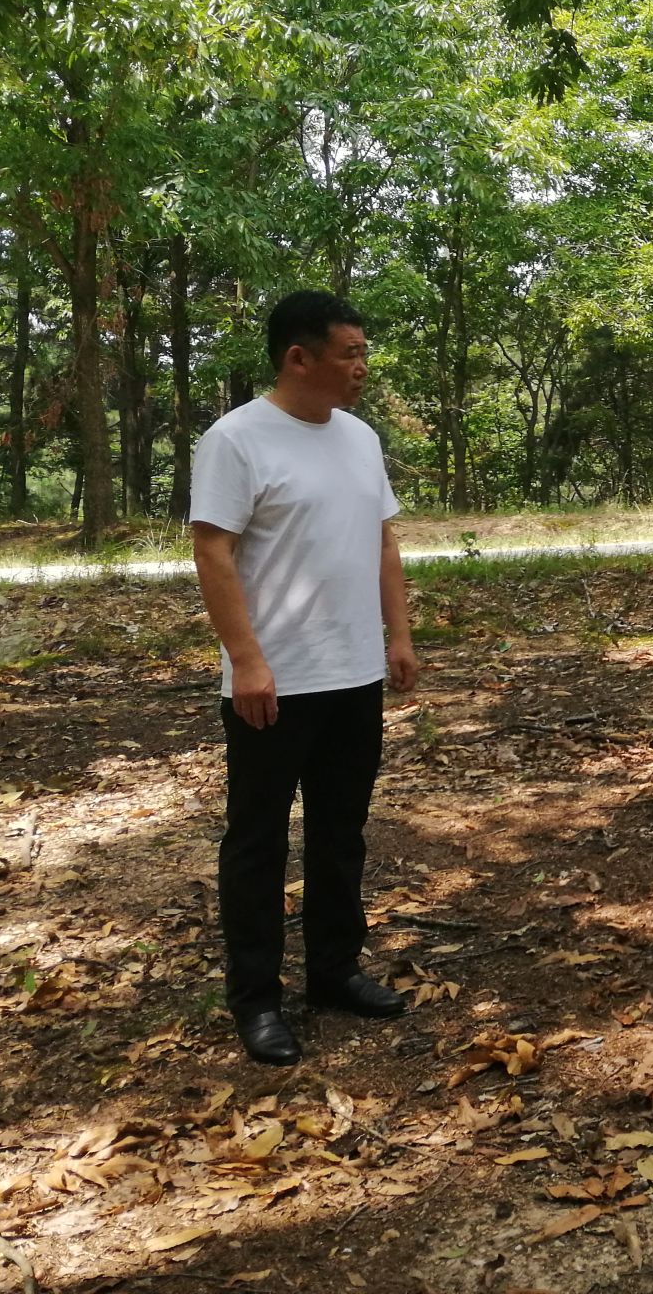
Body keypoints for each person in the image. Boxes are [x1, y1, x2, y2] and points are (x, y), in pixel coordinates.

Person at [190, 291, 418, 1067]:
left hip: (354, 673)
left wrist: (398, 635)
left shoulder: (359, 438)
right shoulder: (237, 440)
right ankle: (256, 998)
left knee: (340, 832)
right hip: (274, 682)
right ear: (299, 357)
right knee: (257, 841)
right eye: (350, 354)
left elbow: (383, 542)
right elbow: (213, 551)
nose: (362, 368)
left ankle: (334, 970)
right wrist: (247, 659)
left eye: (363, 353)